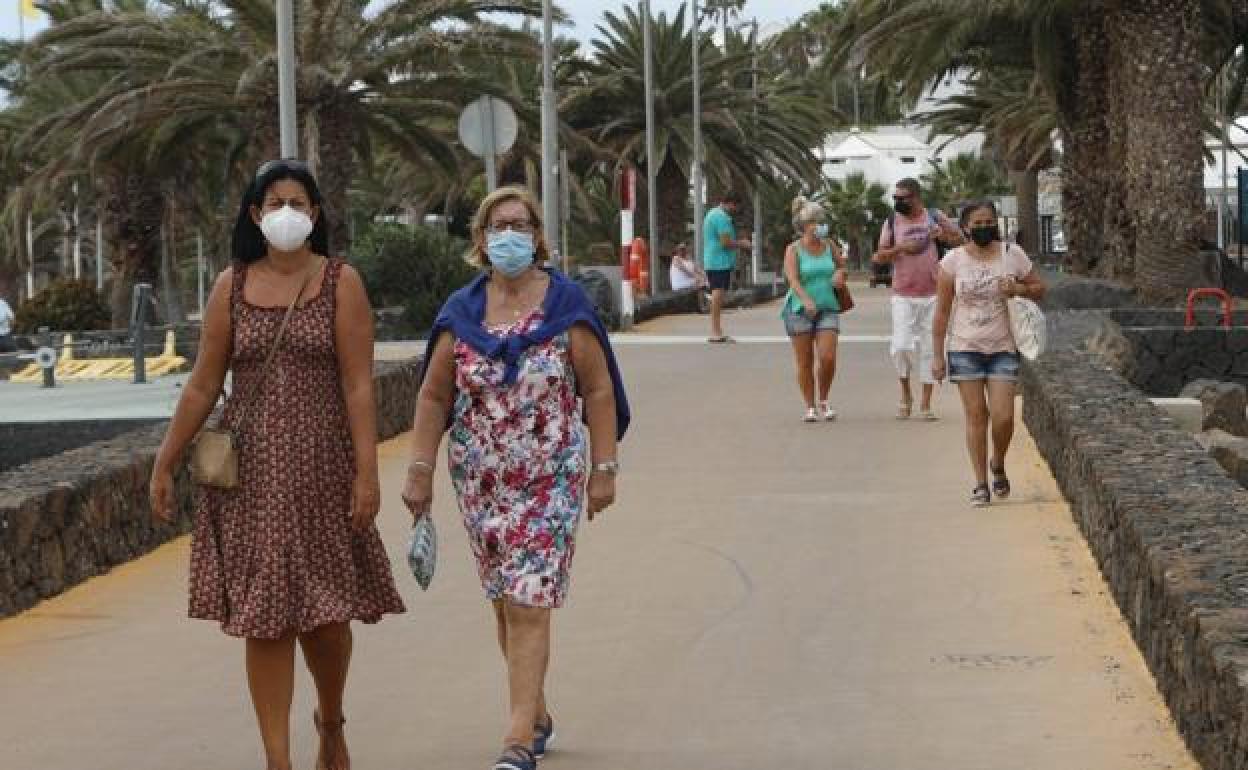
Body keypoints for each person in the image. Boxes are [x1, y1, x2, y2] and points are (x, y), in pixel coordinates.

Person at [149, 159, 405, 770]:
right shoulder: (230, 287)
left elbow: (358, 387)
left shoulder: (342, 282)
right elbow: (203, 384)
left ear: (315, 214)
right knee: (265, 619)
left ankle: (331, 720)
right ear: (254, 213)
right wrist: (165, 459)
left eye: (298, 201)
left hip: (322, 468)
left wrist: (367, 472)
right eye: (274, 202)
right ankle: (277, 760)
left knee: (325, 617)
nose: (287, 212)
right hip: (251, 476)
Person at [403, 186, 630, 770]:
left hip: (548, 478)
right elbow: (433, 398)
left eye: (521, 224)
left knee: (530, 600)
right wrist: (420, 470)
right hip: (480, 484)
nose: (510, 235)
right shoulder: (460, 312)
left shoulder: (566, 306)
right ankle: (536, 711)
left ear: (537, 236)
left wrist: (604, 469)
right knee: (506, 602)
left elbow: (599, 389)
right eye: (499, 225)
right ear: (481, 240)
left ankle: (515, 739)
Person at [932, 199, 1047, 507]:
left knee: (1004, 417)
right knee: (975, 417)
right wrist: (937, 355)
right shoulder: (952, 262)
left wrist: (1019, 289)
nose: (984, 228)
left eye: (988, 222)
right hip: (964, 346)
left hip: (1003, 346)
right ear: (965, 227)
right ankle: (981, 482)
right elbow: (942, 312)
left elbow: (1039, 288)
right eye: (977, 223)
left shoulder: (1012, 254)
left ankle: (998, 461)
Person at [873, 178, 963, 420]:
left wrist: (942, 235)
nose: (898, 202)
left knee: (930, 348)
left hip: (934, 293)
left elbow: (960, 240)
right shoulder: (892, 221)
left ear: (916, 197)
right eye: (895, 198)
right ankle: (905, 392)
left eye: (902, 198)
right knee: (900, 345)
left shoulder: (933, 216)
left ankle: (925, 403)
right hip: (903, 293)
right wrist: (900, 248)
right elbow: (879, 257)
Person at [781, 196, 848, 422]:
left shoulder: (829, 245)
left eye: (822, 220)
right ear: (805, 225)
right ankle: (809, 406)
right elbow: (792, 279)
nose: (821, 225)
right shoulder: (793, 249)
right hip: (800, 310)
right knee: (805, 360)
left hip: (828, 306)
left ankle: (824, 400)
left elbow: (841, 266)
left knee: (827, 356)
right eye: (816, 221)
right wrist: (806, 299)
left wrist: (840, 275)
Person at [702, 191, 751, 343]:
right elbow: (725, 242)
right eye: (735, 207)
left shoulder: (713, 213)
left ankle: (717, 329)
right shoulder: (721, 217)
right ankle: (715, 331)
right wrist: (742, 244)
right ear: (730, 203)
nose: (735, 210)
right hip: (718, 262)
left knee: (718, 294)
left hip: (715, 261)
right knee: (718, 295)